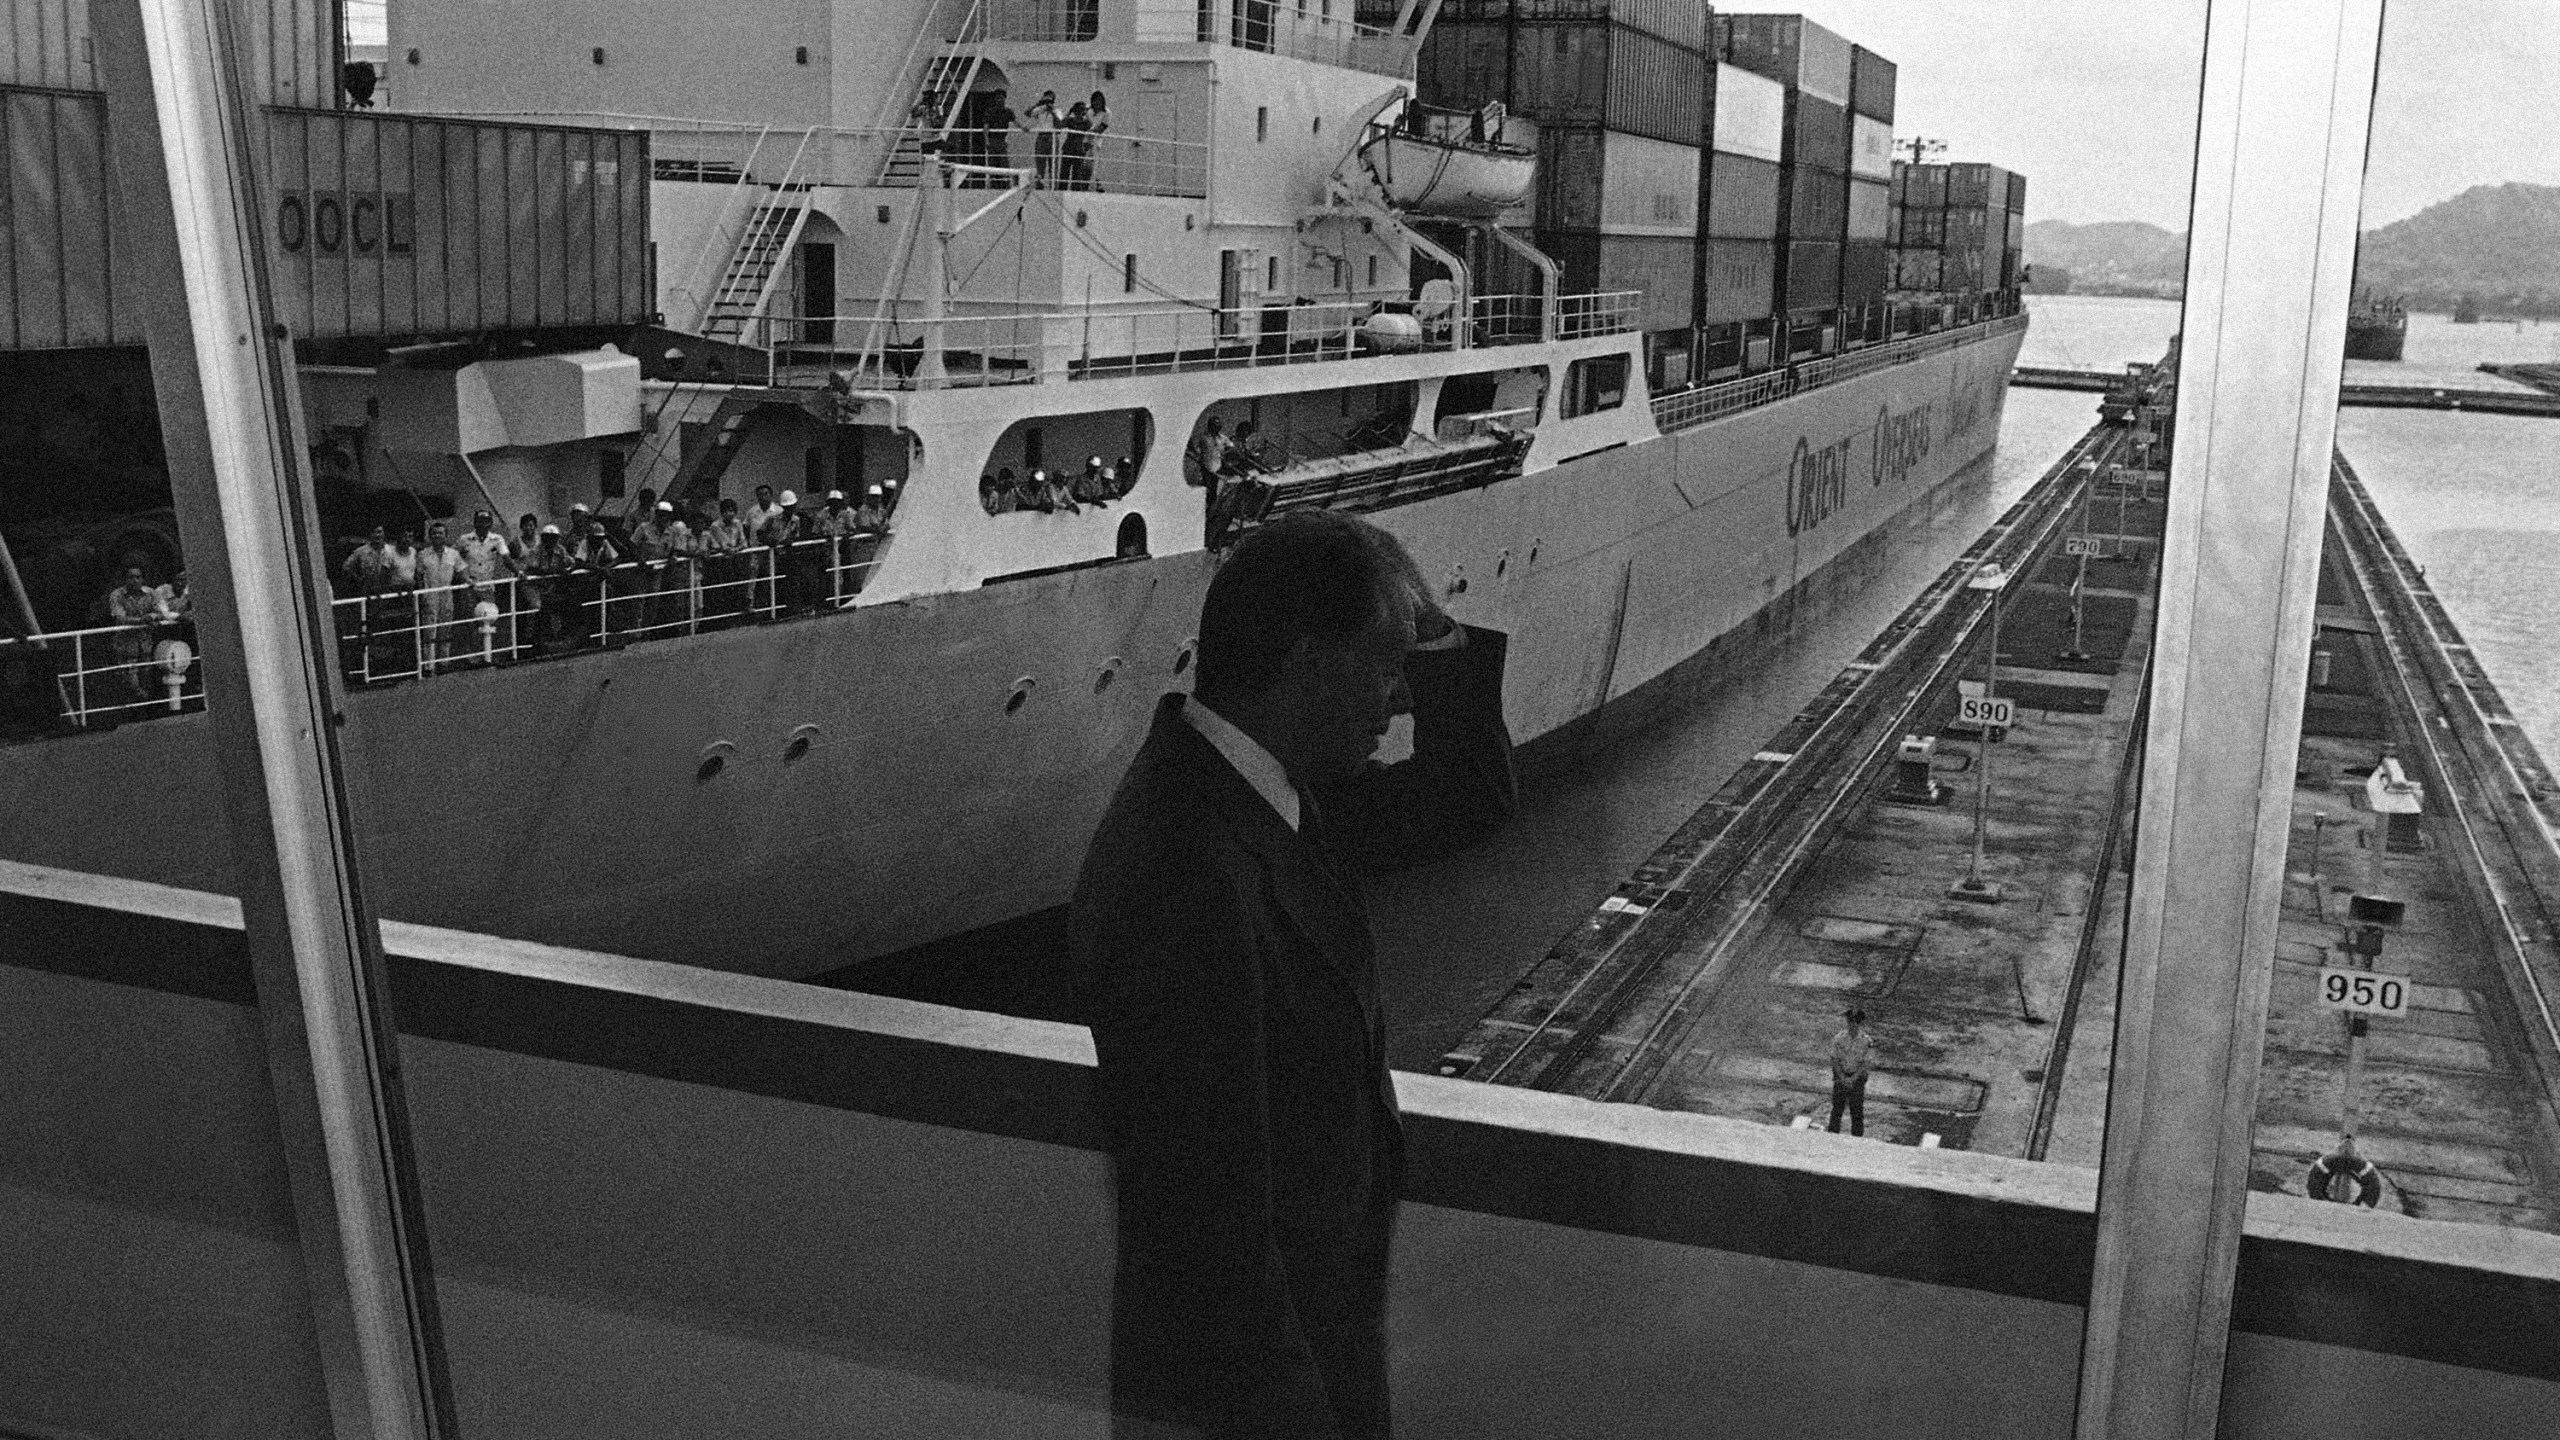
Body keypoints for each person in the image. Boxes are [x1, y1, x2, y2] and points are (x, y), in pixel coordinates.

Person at [1072, 511, 1516, 1439]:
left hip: (1306, 1367)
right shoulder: (1184, 866)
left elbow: (1465, 799)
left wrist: (1431, 633)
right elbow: (1209, 1240)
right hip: (1251, 1404)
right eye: (1385, 667)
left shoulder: (1259, 798)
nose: (1398, 701)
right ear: (1308, 665)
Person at [103, 565, 163, 704]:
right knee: (131, 679)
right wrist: (142, 620)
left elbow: (161, 611)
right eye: (131, 577)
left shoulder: (151, 593)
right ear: (125, 579)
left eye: (138, 577)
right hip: (126, 644)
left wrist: (152, 616)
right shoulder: (117, 595)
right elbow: (119, 617)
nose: (135, 580)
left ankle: (146, 707)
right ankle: (132, 706)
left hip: (145, 642)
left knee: (147, 673)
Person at [415, 522, 464, 673]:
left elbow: (461, 570)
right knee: (430, 629)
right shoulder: (423, 554)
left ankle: (444, 662)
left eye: (440, 533)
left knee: (446, 628)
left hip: (447, 594)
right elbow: (418, 576)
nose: (437, 536)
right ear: (430, 536)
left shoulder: (453, 554)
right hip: (430, 594)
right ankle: (428, 664)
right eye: (434, 533)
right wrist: (422, 593)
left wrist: (468, 580)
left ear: (446, 536)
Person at [1828, 1007, 1873, 1137]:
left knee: (1857, 1111)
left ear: (1860, 1023)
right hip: (1841, 1077)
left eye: (1856, 1022)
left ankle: (1857, 1141)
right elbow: (1834, 1059)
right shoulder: (1839, 1038)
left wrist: (1853, 1079)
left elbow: (1866, 1063)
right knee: (1837, 1109)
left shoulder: (1866, 1041)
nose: (1853, 1025)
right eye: (1850, 1021)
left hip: (1857, 1080)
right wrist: (1842, 1077)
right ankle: (1831, 1138)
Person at [1026, 90, 1060, 188]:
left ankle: (1054, 187)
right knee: (1040, 165)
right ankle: (1039, 186)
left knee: (1053, 165)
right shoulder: (1039, 110)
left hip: (1052, 137)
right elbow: (1027, 113)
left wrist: (1052, 112)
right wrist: (1039, 103)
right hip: (1041, 136)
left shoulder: (1057, 111)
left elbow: (1059, 125)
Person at [1085, 89, 1112, 190]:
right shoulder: (1087, 109)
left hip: (1096, 141)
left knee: (1092, 164)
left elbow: (1101, 129)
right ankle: (1084, 186)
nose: (1097, 103)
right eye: (1095, 101)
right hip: (1084, 139)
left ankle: (1094, 185)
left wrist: (1090, 131)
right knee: (1083, 164)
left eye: (1099, 101)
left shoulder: (1107, 113)